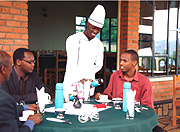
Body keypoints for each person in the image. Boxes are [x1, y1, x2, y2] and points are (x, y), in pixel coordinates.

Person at [95, 50, 163, 132]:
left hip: (135, 119)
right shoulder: (115, 76)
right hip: (116, 118)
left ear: (134, 63)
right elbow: (108, 95)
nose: (121, 63)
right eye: (121, 60)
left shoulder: (144, 81)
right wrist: (100, 96)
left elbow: (148, 108)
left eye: (125, 61)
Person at [63, 4, 106, 100]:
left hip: (89, 82)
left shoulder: (99, 44)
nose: (95, 31)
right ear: (87, 23)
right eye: (93, 28)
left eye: (98, 29)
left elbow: (99, 65)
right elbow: (72, 62)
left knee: (87, 106)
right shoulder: (72, 39)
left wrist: (88, 75)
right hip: (72, 81)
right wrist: (80, 78)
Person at [0, 50, 42, 132]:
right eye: (10, 66)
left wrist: (25, 107)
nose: (11, 69)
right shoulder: (4, 99)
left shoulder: (33, 75)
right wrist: (31, 122)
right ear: (3, 69)